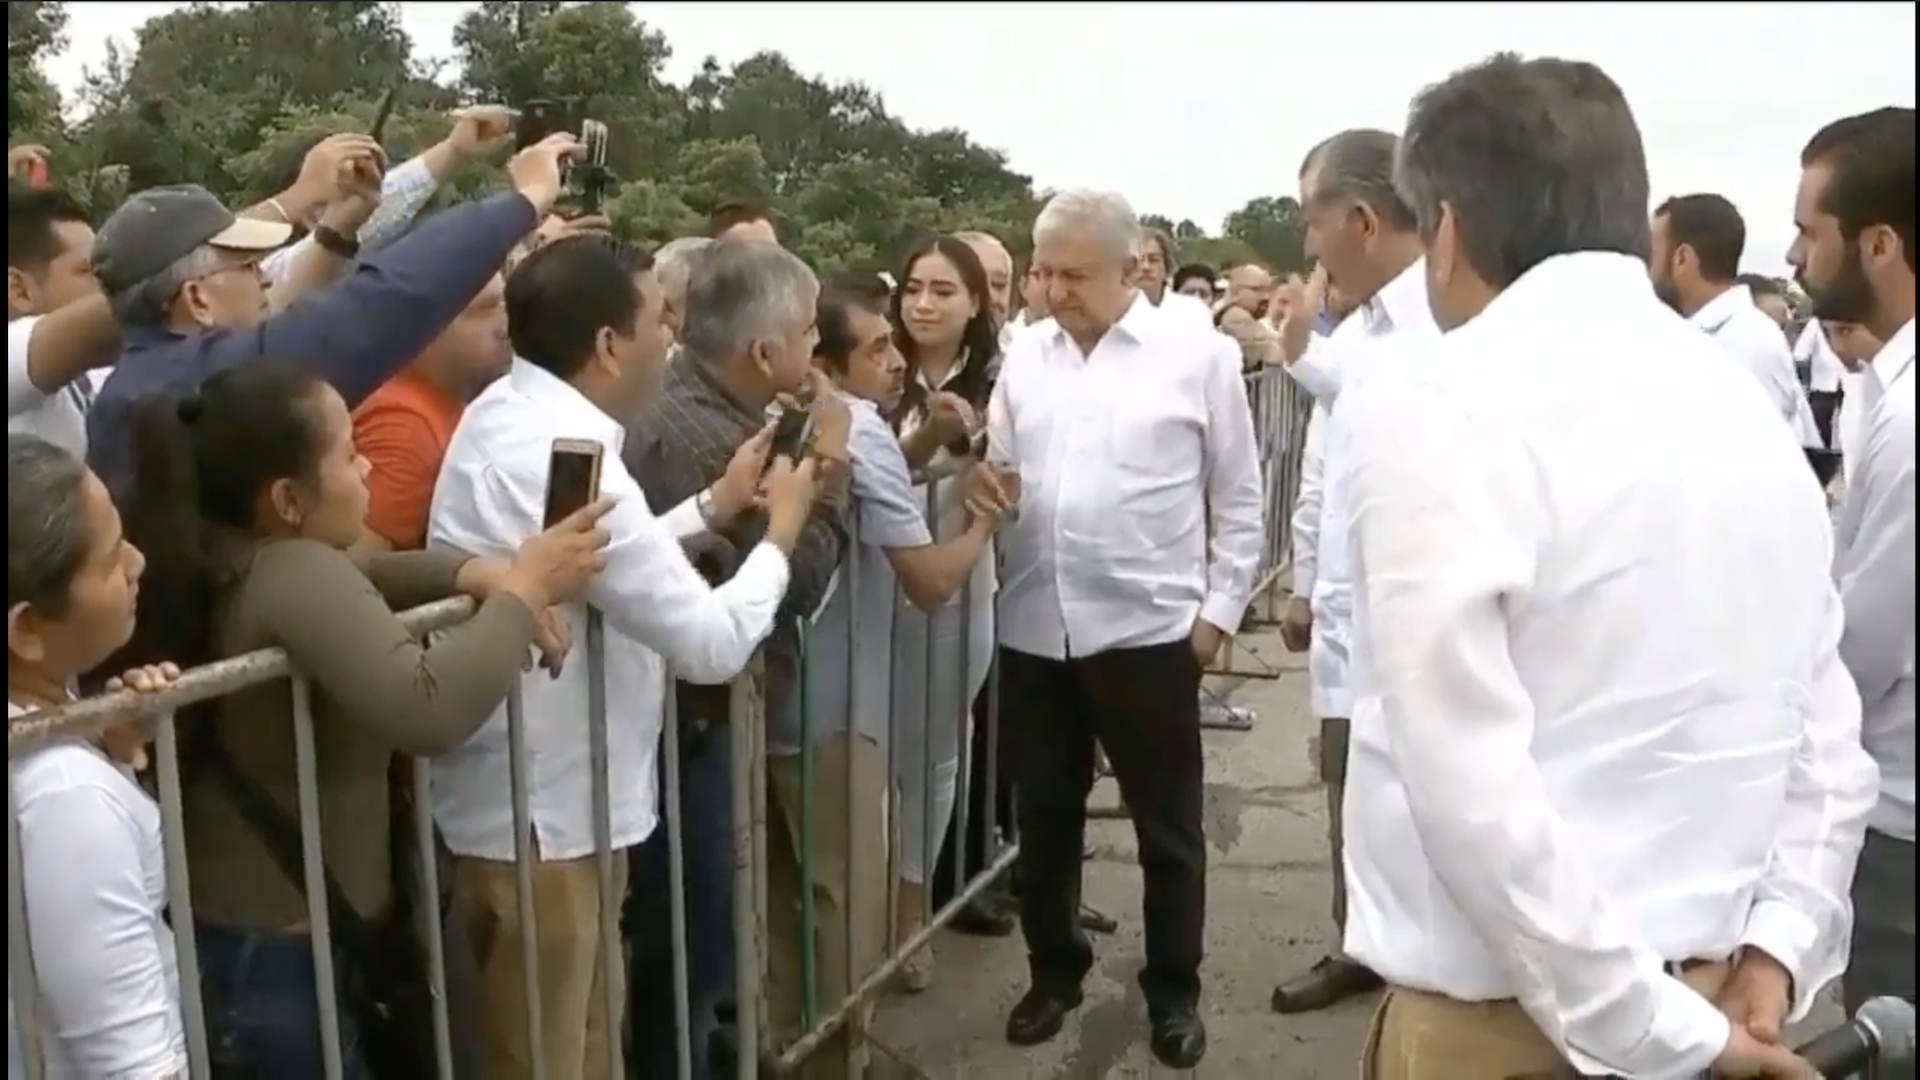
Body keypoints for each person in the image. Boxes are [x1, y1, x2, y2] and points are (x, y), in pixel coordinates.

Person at [1339, 53, 1875, 1079]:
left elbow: (1466, 788)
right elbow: (1826, 736)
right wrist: (1776, 950)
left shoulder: (1436, 403)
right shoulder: (1746, 413)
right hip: (1724, 997)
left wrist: (1654, 1027)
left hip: (1524, 1031)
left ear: (1445, 228)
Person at [109, 355, 607, 1079]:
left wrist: (471, 573)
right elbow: (426, 705)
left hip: (247, 945)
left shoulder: (223, 553)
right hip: (286, 958)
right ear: (287, 499)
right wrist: (524, 592)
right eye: (348, 454)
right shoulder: (292, 573)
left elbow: (364, 579)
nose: (368, 468)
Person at [427, 234, 819, 1080]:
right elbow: (710, 643)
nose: (669, 341)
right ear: (610, 344)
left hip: (546, 807)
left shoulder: (517, 414)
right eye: (659, 320)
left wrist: (714, 508)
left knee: (583, 1046)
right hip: (544, 819)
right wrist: (782, 530)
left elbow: (599, 567)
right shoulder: (571, 446)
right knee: (545, 1055)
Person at [989, 188, 1263, 1069]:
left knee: (1167, 831)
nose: (1054, 289)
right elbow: (1001, 463)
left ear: (1128, 267)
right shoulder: (1024, 356)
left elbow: (1240, 497)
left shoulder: (1198, 354)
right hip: (1035, 627)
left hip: (1149, 634)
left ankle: (1174, 991)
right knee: (1046, 816)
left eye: (1074, 274)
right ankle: (1054, 970)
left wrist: (1217, 615)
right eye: (1043, 272)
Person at [623, 237, 851, 1080]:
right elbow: (798, 580)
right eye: (806, 336)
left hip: (687, 718)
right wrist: (831, 460)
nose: (815, 353)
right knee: (691, 941)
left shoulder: (709, 409)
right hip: (686, 724)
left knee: (700, 932)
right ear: (766, 351)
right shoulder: (699, 434)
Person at [85, 133, 582, 504]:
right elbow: (371, 308)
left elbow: (296, 318)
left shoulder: (150, 378)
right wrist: (526, 199)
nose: (264, 279)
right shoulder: (185, 387)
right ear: (196, 299)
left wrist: (340, 225)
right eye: (248, 266)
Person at [1265, 128, 1438, 1018]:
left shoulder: (1448, 324)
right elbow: (1327, 470)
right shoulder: (1364, 331)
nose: (1308, 245)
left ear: (1363, 218)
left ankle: (1427, 975)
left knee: (1423, 812)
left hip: (1421, 637)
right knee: (1350, 800)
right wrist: (1303, 580)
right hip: (1348, 621)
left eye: (1312, 220)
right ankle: (1361, 945)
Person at [1790, 106, 1916, 1071]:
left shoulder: (1911, 415)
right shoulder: (1886, 387)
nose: (1794, 253)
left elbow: (1867, 640)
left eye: (1809, 229)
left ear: (1879, 243)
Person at [6, 434, 181, 1078]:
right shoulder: (65, 797)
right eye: (109, 562)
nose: (137, 562)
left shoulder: (55, 756)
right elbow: (129, 1057)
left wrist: (110, 746)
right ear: (27, 629)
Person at [886, 234, 1004, 989]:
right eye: (914, 288)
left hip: (963, 585)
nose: (924, 304)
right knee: (868, 758)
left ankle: (908, 914)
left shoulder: (1009, 379)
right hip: (868, 592)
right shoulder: (871, 368)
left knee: (934, 758)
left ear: (976, 304)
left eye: (943, 290)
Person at [1650, 192, 1823, 446]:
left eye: (1650, 253)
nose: (1645, 268)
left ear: (1682, 259)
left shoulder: (1746, 344)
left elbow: (1758, 461)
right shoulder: (1711, 335)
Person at [8, 182, 121, 456]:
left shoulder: (88, 370)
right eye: (89, 270)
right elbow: (117, 315)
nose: (108, 281)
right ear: (19, 290)